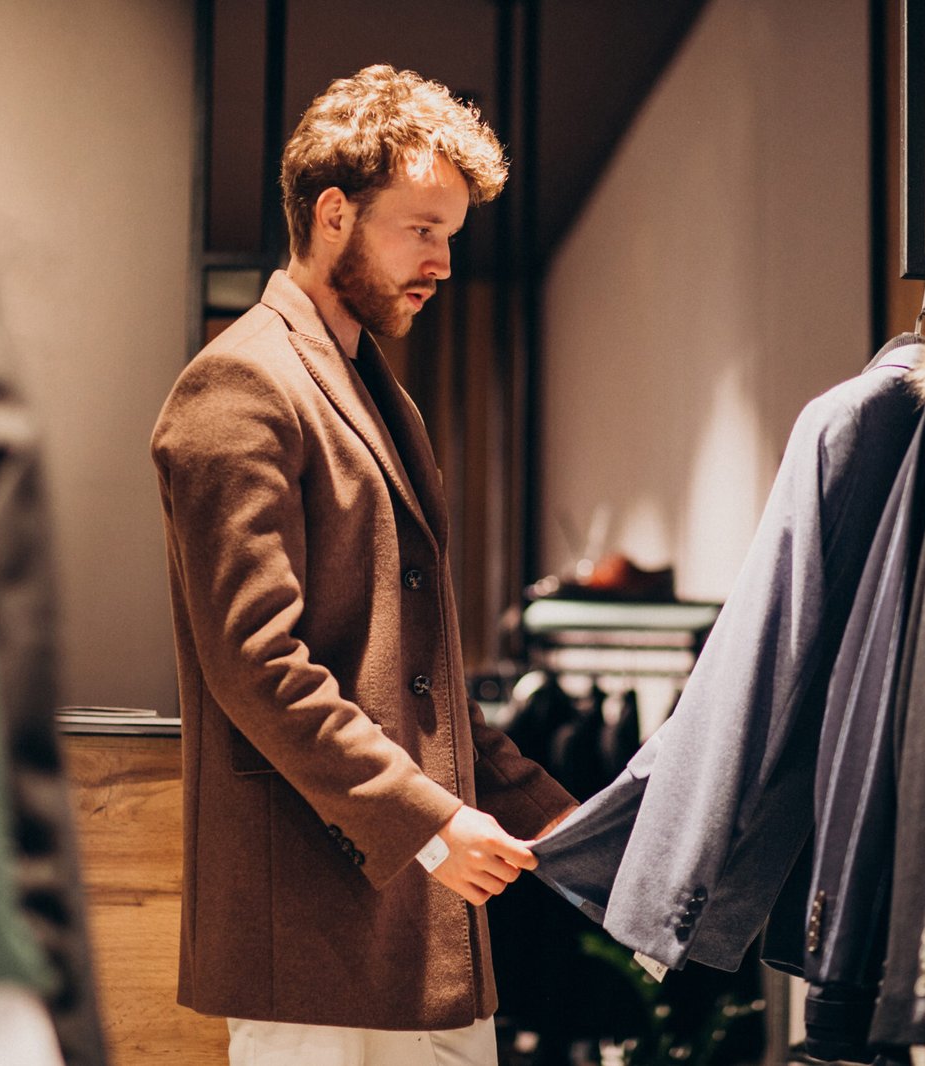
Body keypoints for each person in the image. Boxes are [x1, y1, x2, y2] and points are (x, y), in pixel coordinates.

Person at [151, 65, 577, 1066]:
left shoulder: (378, 393)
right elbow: (258, 667)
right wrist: (431, 824)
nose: (439, 263)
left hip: (414, 930)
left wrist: (565, 823)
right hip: (306, 936)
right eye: (419, 229)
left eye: (449, 237)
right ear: (333, 213)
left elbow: (420, 677)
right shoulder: (238, 384)